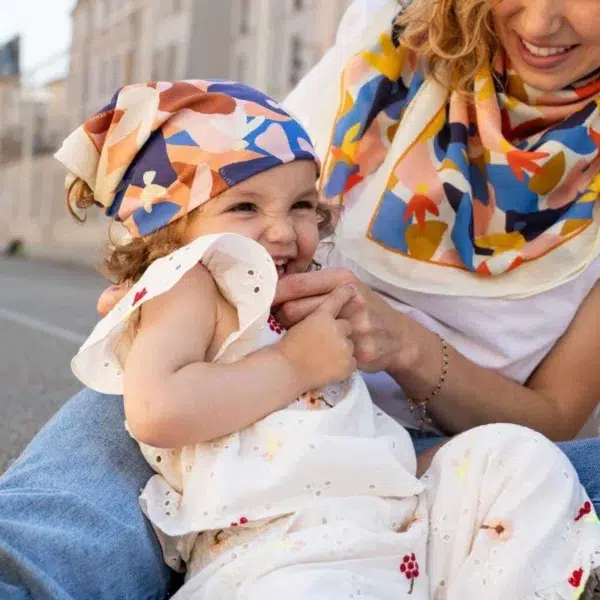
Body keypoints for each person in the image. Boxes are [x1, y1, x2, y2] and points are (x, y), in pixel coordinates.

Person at [2, 0, 600, 597]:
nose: (541, 22)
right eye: (249, 209)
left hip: (396, 454)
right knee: (62, 523)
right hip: (235, 447)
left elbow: (552, 422)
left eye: (303, 208)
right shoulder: (385, 39)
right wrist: (188, 304)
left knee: (525, 467)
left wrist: (403, 345)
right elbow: (161, 406)